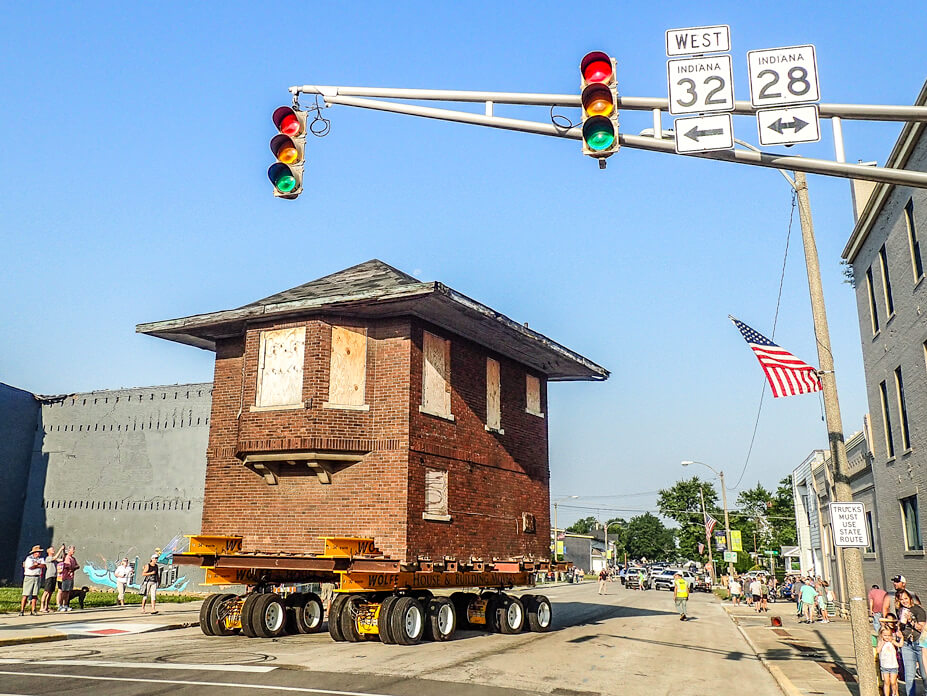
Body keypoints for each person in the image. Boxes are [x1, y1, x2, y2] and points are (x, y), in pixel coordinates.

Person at [896, 589, 926, 696]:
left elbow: (922, 629)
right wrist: (898, 631)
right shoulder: (900, 610)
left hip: (919, 643)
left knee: (924, 674)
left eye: (905, 598)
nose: (904, 601)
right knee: (909, 675)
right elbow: (900, 626)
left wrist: (911, 621)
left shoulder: (918, 611)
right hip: (906, 644)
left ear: (910, 598)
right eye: (901, 599)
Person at [879, 625, 904, 696]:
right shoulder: (881, 642)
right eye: (885, 635)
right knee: (886, 682)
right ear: (881, 635)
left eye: (889, 635)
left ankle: (894, 693)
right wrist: (882, 643)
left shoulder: (892, 642)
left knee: (893, 682)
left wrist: (901, 638)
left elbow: (900, 645)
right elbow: (878, 650)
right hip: (884, 666)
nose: (887, 637)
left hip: (893, 665)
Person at [20, 545, 45, 616]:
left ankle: (33, 610)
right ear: (34, 552)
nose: (39, 553)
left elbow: (43, 565)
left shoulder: (41, 558)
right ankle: (22, 610)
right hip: (29, 577)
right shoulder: (29, 558)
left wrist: (37, 565)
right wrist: (37, 565)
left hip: (37, 577)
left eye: (40, 552)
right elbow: (30, 567)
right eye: (38, 552)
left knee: (35, 595)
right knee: (26, 594)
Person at [40, 545, 64, 613]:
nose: (53, 550)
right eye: (52, 549)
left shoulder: (54, 559)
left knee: (50, 593)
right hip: (49, 577)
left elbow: (61, 560)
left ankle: (46, 607)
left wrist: (64, 553)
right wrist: (60, 549)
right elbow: (55, 557)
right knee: (46, 592)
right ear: (48, 551)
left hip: (54, 576)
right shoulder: (48, 558)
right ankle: (42, 607)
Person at [56, 546, 79, 612]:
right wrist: (72, 568)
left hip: (71, 577)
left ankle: (66, 605)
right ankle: (60, 606)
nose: (74, 551)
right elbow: (67, 567)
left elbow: (77, 566)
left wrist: (74, 567)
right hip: (65, 577)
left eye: (74, 550)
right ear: (69, 550)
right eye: (72, 550)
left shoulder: (73, 558)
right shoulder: (67, 558)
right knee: (63, 591)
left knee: (68, 592)